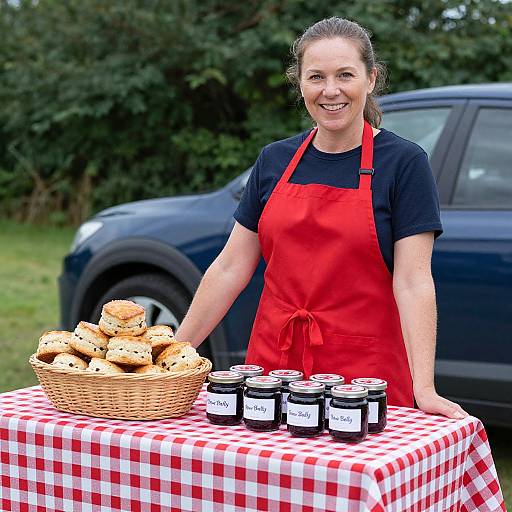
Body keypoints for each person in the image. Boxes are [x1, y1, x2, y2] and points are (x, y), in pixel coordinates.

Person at [176, 17, 468, 419]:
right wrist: (174, 354)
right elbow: (229, 268)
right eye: (316, 77)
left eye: (344, 75)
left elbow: (414, 282)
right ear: (300, 83)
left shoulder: (404, 163)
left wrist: (425, 389)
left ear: (370, 79)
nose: (330, 91)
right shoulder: (274, 160)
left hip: (363, 380)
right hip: (272, 373)